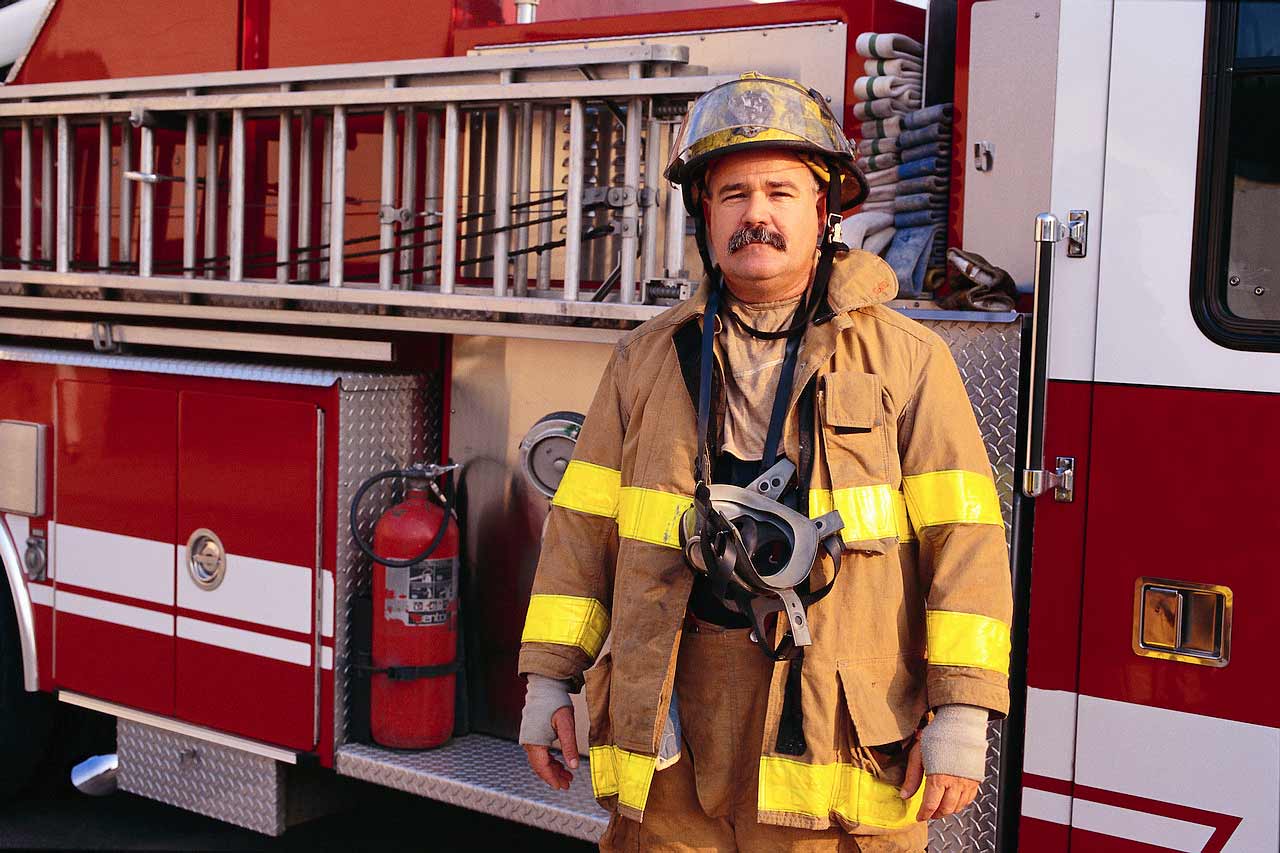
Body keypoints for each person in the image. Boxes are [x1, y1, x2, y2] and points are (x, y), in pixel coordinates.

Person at [517, 73, 1012, 851]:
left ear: (824, 212)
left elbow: (967, 544)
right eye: (733, 193)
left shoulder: (910, 361)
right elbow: (580, 530)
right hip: (673, 720)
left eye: (781, 191)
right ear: (704, 216)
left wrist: (962, 712)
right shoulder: (645, 359)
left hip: (832, 733)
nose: (757, 214)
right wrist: (551, 675)